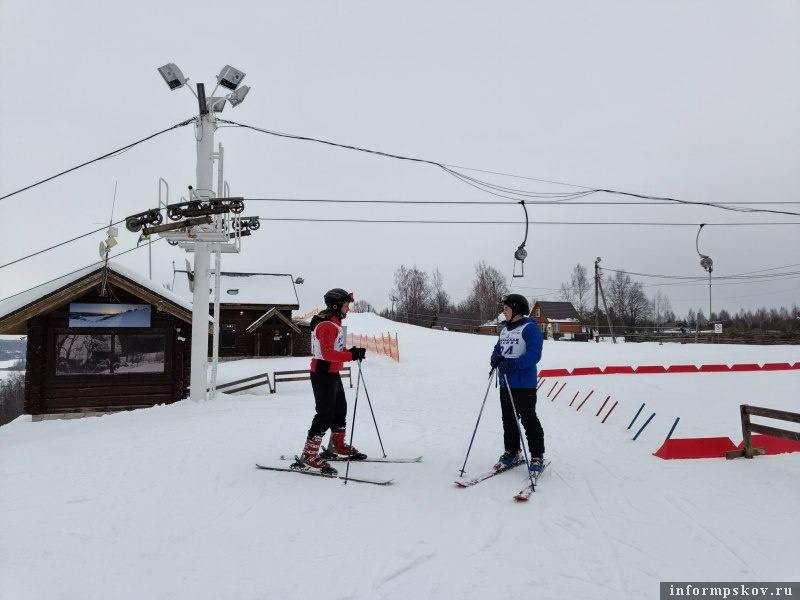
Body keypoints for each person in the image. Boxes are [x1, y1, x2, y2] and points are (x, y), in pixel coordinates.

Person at [293, 288, 368, 475]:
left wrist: (351, 351)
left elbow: (335, 348)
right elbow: (326, 354)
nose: (348, 309)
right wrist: (351, 355)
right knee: (325, 414)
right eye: (346, 305)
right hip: (322, 372)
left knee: (340, 409)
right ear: (335, 306)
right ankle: (309, 455)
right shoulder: (326, 325)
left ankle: (337, 446)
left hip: (332, 372)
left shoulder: (334, 323)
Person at [489, 293, 545, 476]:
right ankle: (512, 451)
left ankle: (537, 455)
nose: (503, 312)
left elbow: (534, 354)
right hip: (506, 383)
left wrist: (512, 365)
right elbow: (498, 350)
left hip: (524, 384)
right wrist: (495, 359)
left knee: (529, 419)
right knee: (508, 419)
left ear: (517, 309)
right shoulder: (504, 330)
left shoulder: (530, 328)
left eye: (506, 308)